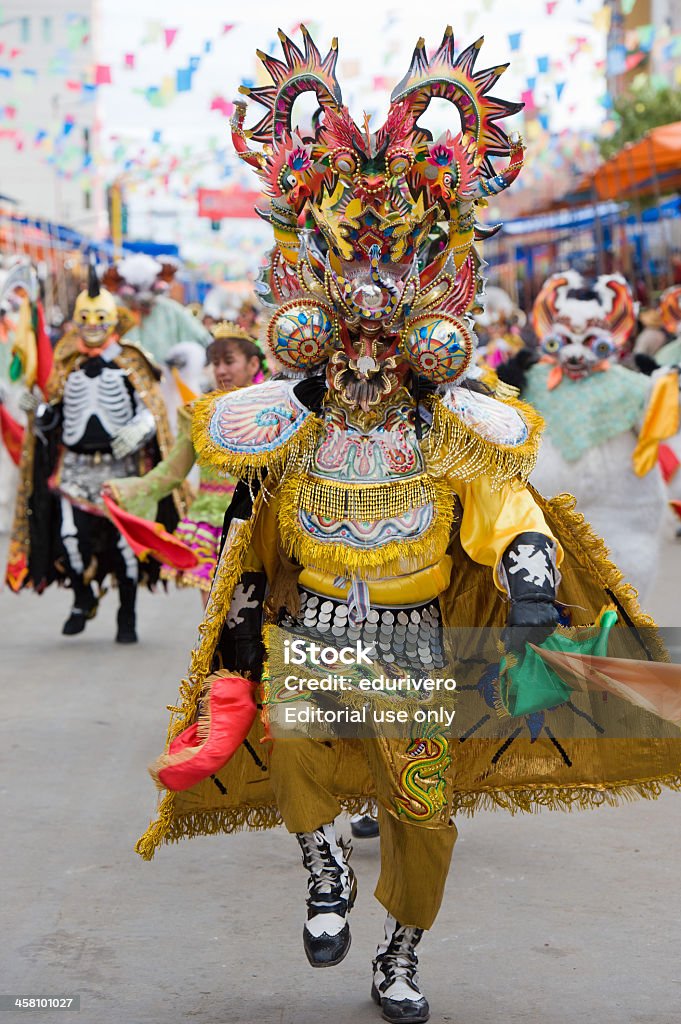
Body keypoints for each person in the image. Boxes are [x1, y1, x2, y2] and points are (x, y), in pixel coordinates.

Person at [136, 27, 681, 1024]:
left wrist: (525, 569)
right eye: (351, 322)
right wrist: (299, 393)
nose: (370, 349)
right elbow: (218, 442)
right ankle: (321, 870)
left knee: (423, 815)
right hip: (314, 639)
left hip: (415, 646)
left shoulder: (452, 429)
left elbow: (504, 499)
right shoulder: (295, 420)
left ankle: (399, 955)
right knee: (298, 759)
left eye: (391, 325)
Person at [6, 262, 187, 642]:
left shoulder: (132, 361)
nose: (91, 324)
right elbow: (53, 415)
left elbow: (152, 412)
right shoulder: (66, 364)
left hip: (123, 467)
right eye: (84, 317)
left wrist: (138, 429)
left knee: (125, 546)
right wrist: (35, 409)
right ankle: (82, 596)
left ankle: (127, 615)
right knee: (71, 539)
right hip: (74, 467)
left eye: (99, 316)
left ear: (113, 320)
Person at [498, 270, 680, 603]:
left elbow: (657, 425)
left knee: (624, 590)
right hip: (550, 515)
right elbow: (504, 423)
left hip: (621, 512)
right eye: (565, 340)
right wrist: (508, 386)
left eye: (590, 341)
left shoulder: (626, 384)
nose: (578, 354)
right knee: (557, 595)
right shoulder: (535, 381)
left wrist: (663, 386)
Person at [106, 324, 264, 603]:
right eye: (215, 363)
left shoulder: (275, 412)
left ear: (253, 364)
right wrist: (127, 490)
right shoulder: (200, 415)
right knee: (214, 619)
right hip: (211, 523)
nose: (221, 371)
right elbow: (172, 472)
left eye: (229, 362)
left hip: (259, 524)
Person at [103, 254, 211, 363]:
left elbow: (203, 340)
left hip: (163, 376)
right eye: (136, 288)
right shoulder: (111, 308)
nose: (142, 297)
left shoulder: (170, 309)